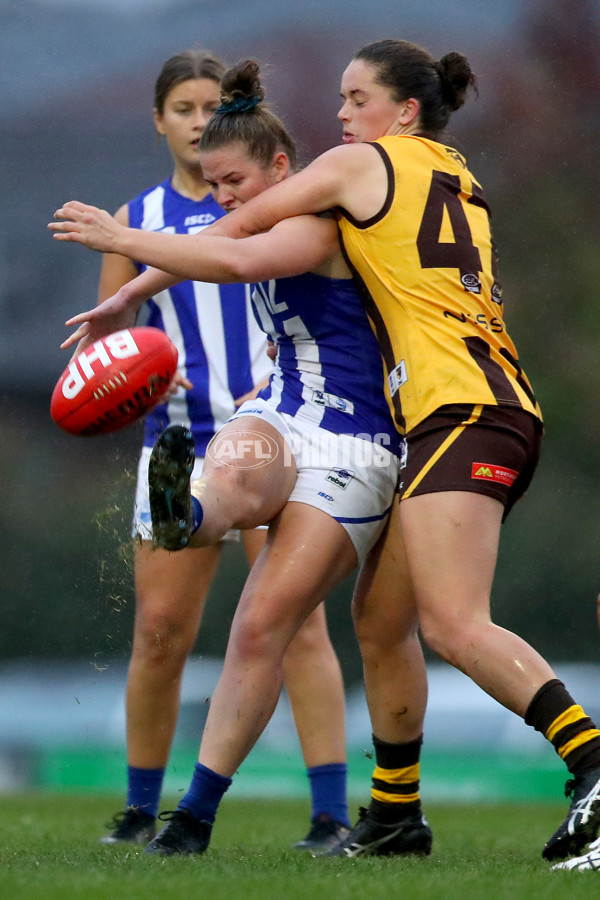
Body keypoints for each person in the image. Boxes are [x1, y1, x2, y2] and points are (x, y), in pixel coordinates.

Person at [51, 41, 600, 864]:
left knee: (451, 623)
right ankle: (393, 816)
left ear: (403, 111)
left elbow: (237, 238)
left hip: (445, 412)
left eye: (355, 98)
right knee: (381, 622)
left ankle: (591, 759)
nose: (340, 116)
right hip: (454, 405)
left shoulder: (360, 170)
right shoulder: (455, 175)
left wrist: (126, 254)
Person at [48, 58, 429, 859]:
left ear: (281, 169)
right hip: (278, 410)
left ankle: (195, 815)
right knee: (236, 471)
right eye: (213, 183)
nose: (222, 197)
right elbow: (214, 237)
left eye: (233, 181)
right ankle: (194, 508)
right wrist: (126, 292)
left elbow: (232, 260)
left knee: (263, 624)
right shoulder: (248, 212)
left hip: (350, 439)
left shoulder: (316, 221)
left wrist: (119, 242)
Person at [88, 49, 352, 853]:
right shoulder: (133, 219)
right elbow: (110, 345)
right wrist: (109, 374)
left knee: (295, 625)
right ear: (160, 120)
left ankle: (330, 812)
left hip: (279, 433)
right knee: (162, 631)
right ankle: (139, 808)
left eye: (211, 107)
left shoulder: (282, 206)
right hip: (177, 436)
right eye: (184, 109)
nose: (200, 121)